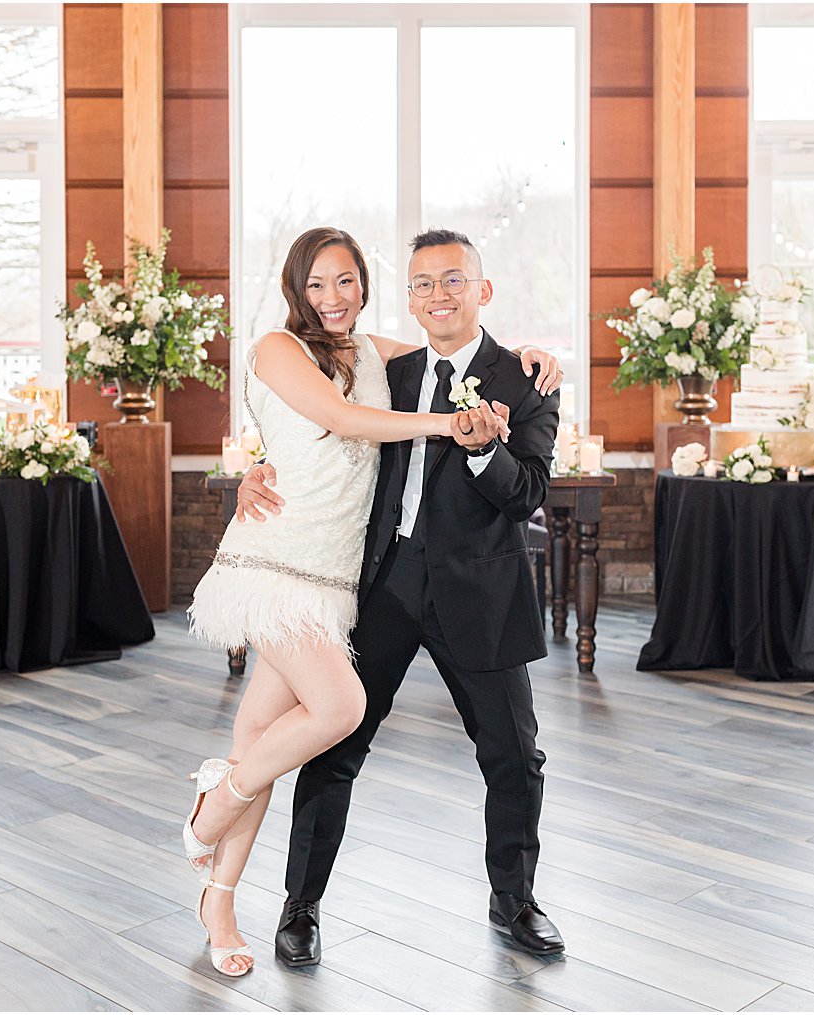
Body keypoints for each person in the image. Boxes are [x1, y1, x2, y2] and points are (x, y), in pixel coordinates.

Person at [182, 226, 562, 977]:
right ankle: (299, 906)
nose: (438, 295)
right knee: (335, 744)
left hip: (479, 589)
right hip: (376, 580)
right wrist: (258, 468)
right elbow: (324, 419)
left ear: (481, 290)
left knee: (514, 754)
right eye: (423, 283)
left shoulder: (522, 379)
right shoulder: (382, 362)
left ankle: (514, 900)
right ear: (410, 296)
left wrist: (488, 441)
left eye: (453, 281)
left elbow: (530, 494)